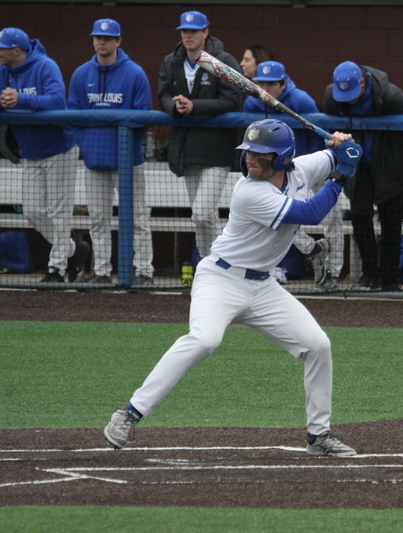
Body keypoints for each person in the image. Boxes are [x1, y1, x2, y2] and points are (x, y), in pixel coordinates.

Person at [103, 119, 362, 457]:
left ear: (283, 159)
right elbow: (311, 213)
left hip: (263, 285)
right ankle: (129, 413)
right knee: (205, 338)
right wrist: (343, 172)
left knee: (317, 345)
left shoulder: (302, 168)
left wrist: (343, 145)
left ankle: (318, 435)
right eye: (249, 154)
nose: (251, 161)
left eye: (260, 156)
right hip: (220, 279)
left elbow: (338, 153)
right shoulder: (249, 191)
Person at [67, 19, 154, 286]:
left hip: (128, 162)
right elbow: (72, 116)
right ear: (92, 40)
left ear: (118, 41)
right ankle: (102, 272)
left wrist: (125, 147)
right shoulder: (82, 73)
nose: (101, 42)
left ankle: (144, 272)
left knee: (138, 218)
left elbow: (143, 118)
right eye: (97, 38)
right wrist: (88, 144)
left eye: (107, 38)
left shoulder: (134, 73)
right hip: (94, 161)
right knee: (98, 219)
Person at [0, 27, 89, 283]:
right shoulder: (4, 71)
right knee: (32, 211)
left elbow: (57, 102)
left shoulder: (44, 66)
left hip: (59, 147)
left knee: (60, 212)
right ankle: (74, 250)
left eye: (2, 48)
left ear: (16, 51)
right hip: (31, 151)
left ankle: (56, 269)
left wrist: (21, 100)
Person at [244, 60, 341, 291]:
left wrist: (322, 167)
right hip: (279, 172)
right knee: (280, 219)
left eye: (270, 84)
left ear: (283, 83)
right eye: (261, 84)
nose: (265, 89)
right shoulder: (251, 102)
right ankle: (313, 250)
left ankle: (334, 274)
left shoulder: (301, 100)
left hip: (309, 166)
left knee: (333, 217)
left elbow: (321, 140)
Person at [323, 60, 403, 291]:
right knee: (360, 216)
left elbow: (402, 140)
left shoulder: (392, 96)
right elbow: (332, 132)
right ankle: (369, 274)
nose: (349, 100)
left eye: (353, 93)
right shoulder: (333, 97)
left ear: (363, 82)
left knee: (391, 223)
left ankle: (391, 278)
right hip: (357, 164)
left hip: (390, 166)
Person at [158, 11, 241, 259]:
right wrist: (175, 107)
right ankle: (211, 265)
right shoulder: (171, 61)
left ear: (206, 32)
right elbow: (162, 95)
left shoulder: (222, 60)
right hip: (187, 148)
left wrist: (195, 106)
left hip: (217, 149)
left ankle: (218, 262)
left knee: (202, 213)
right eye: (184, 31)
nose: (188, 36)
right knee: (201, 216)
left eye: (193, 31)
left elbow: (233, 100)